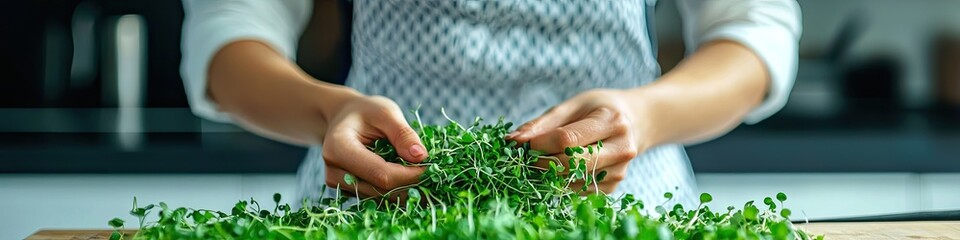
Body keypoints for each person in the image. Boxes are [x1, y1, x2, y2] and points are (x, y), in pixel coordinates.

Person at [180, 0, 801, 207]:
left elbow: (754, 29)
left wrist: (647, 114)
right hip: (376, 201)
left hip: (622, 202)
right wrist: (327, 113)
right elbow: (229, 34)